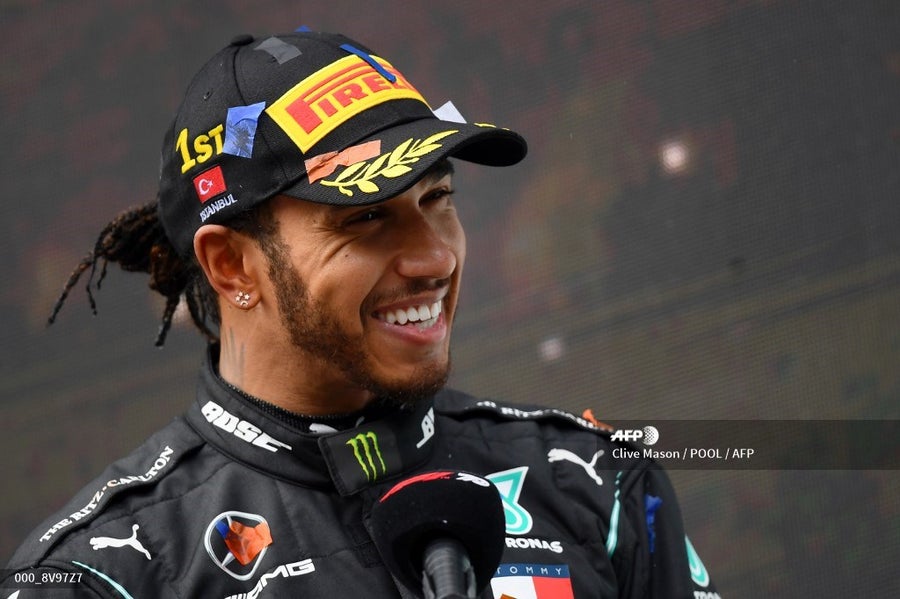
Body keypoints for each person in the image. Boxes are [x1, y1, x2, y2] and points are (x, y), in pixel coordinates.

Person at [3, 28, 720, 598]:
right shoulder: (100, 576)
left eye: (438, 198)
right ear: (232, 265)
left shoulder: (598, 483)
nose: (433, 257)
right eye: (366, 216)